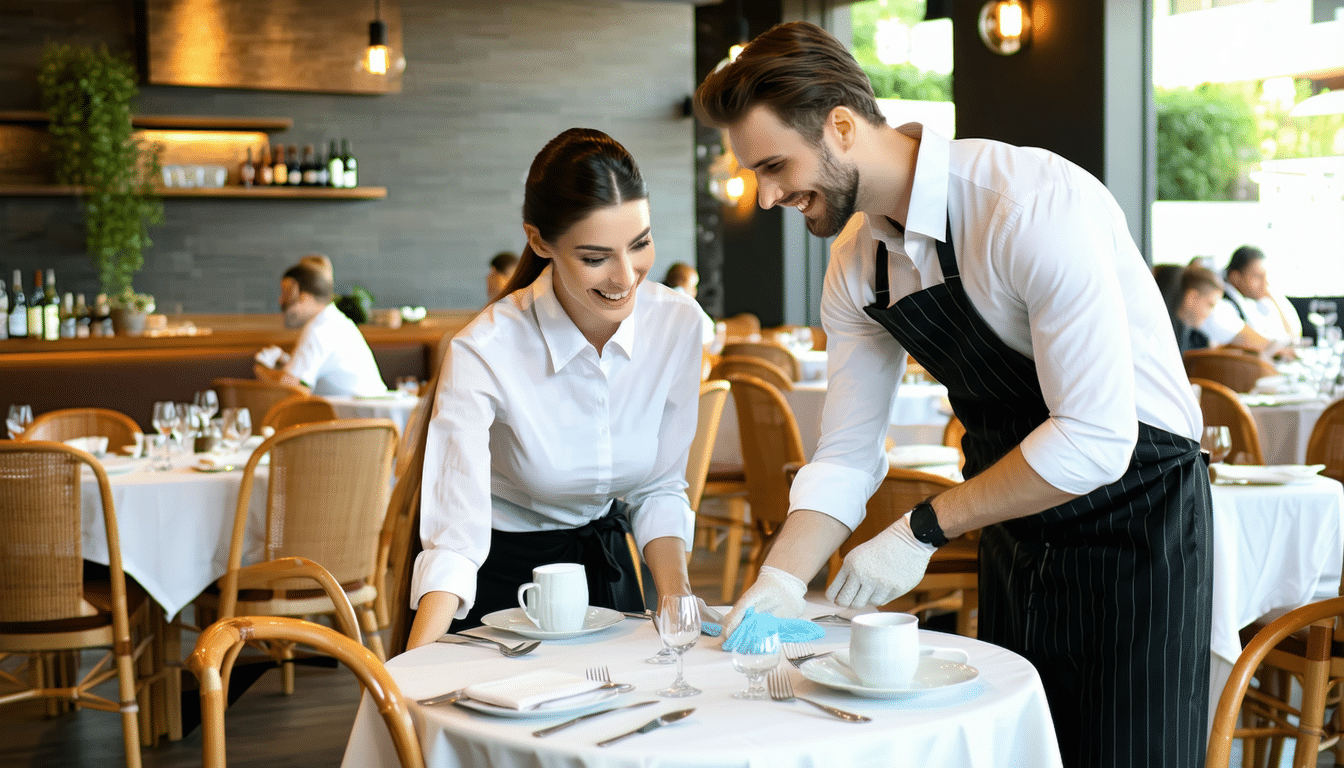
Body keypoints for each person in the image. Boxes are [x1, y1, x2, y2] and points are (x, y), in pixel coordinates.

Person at [694, 21, 1210, 768]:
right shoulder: (855, 263)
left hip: (1137, 518)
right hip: (1014, 523)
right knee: (1016, 748)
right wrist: (779, 579)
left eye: (775, 166)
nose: (768, 196)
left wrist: (919, 529)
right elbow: (844, 454)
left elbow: (1096, 437)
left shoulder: (1026, 204)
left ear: (840, 125)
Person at [404, 128, 704, 649]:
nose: (625, 276)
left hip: (608, 578)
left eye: (640, 245)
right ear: (540, 241)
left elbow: (657, 487)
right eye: (595, 257)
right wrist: (410, 674)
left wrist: (676, 603)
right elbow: (455, 539)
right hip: (500, 590)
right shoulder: (484, 350)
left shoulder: (677, 324)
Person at [253, 256, 386, 397]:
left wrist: (262, 370)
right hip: (369, 414)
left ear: (305, 296)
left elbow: (292, 390)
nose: (281, 301)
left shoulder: (318, 330)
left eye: (287, 294)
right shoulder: (335, 321)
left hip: (356, 416)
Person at [1200, 245, 1300, 355]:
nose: (1266, 283)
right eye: (1258, 276)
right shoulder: (1221, 305)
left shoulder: (1250, 303)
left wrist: (1273, 298)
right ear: (1235, 278)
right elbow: (1265, 344)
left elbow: (1294, 334)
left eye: (1265, 277)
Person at [1154, 263, 1220, 353]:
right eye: (1210, 304)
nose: (1211, 313)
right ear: (1192, 297)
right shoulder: (1167, 340)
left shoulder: (1194, 338)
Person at [663, 261, 717, 347]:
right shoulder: (685, 300)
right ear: (680, 283)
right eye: (693, 286)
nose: (695, 291)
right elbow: (707, 336)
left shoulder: (661, 298)